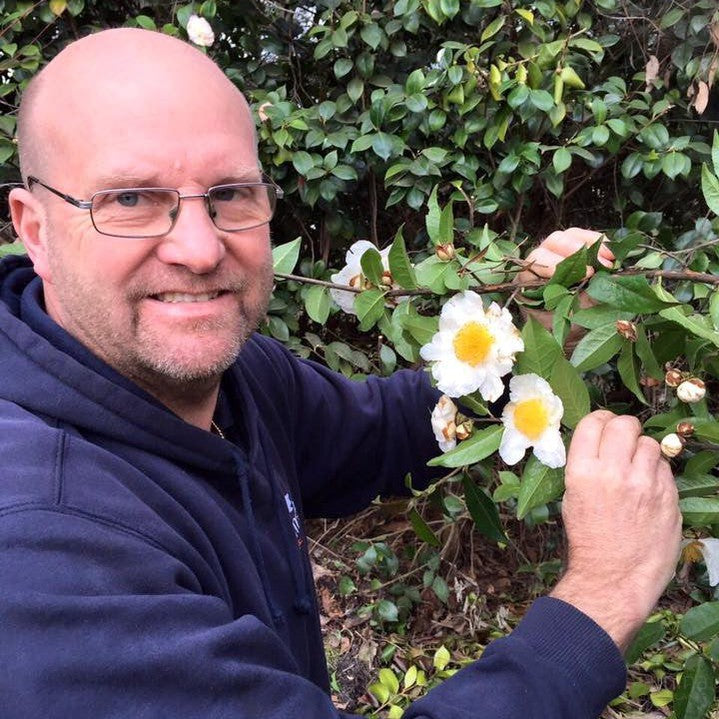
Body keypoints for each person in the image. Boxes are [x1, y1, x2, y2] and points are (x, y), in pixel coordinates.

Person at [0, 28, 680, 718]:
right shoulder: (42, 554)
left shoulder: (231, 378)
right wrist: (604, 592)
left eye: (230, 191)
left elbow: (377, 432)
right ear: (34, 229)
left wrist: (529, 335)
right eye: (130, 199)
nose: (200, 249)